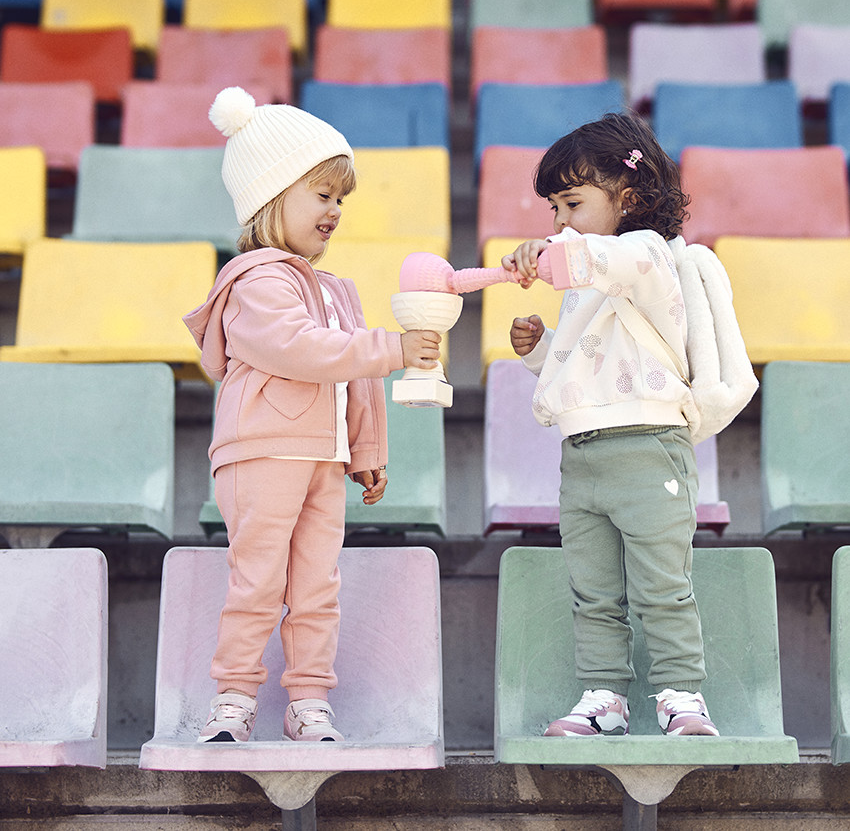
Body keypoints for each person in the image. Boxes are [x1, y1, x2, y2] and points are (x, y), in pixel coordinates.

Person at [184, 86, 442, 743]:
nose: (334, 211)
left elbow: (354, 385)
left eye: (340, 200)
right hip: (262, 455)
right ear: (271, 196)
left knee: (317, 586)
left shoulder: (336, 291)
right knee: (258, 579)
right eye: (321, 194)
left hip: (322, 462)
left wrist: (369, 452)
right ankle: (234, 699)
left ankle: (309, 701)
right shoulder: (255, 281)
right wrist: (391, 346)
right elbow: (302, 351)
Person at [503, 112, 719, 738]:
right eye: (552, 209)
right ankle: (604, 697)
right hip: (586, 454)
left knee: (662, 587)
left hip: (650, 449)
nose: (560, 221)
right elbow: (590, 366)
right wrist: (542, 350)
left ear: (628, 198)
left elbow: (604, 258)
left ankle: (683, 694)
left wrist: (550, 252)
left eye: (572, 202)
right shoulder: (588, 271)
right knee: (593, 592)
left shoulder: (647, 254)